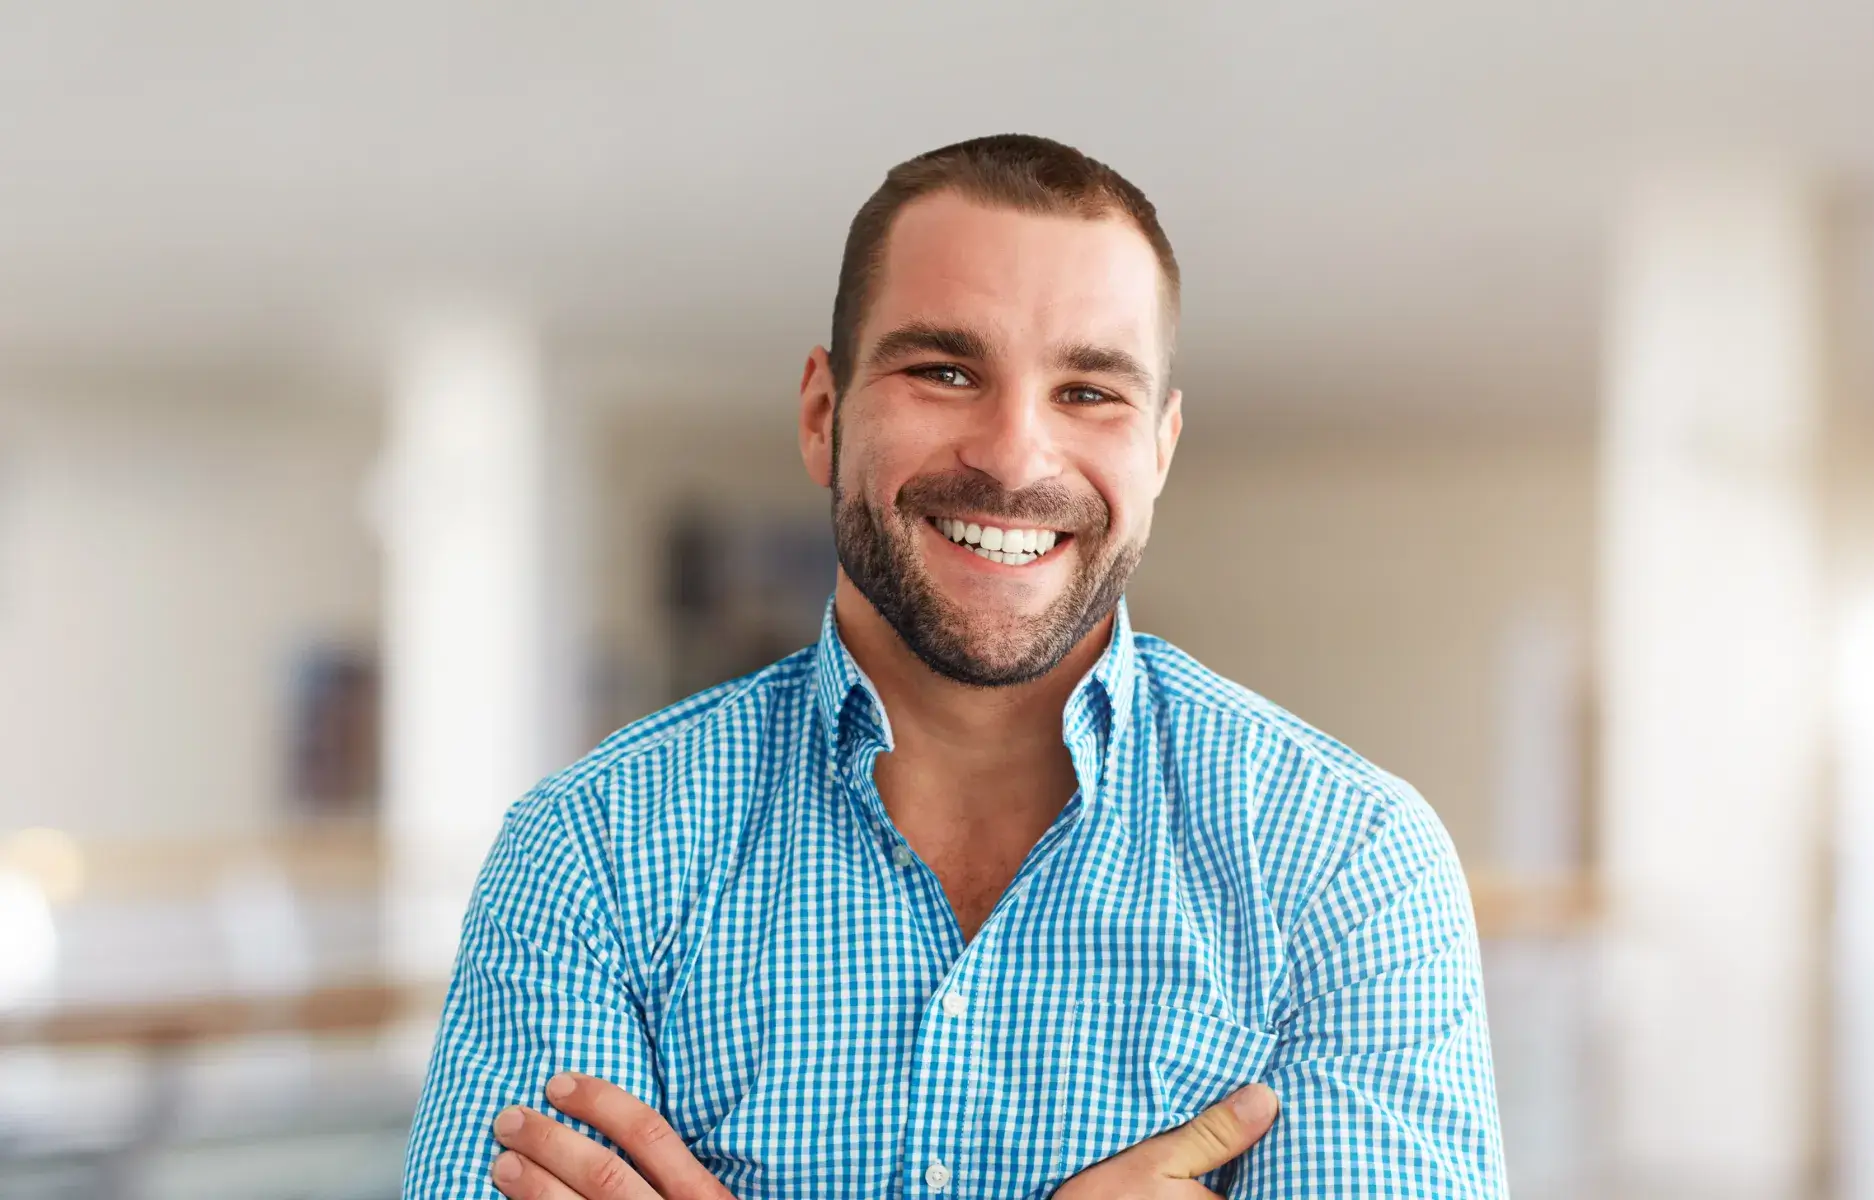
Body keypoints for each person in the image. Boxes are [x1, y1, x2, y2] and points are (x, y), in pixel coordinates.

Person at [402, 134, 1507, 1199]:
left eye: (1089, 391)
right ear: (822, 415)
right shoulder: (593, 856)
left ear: (1158, 448)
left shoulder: (1345, 867)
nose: (1013, 454)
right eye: (943, 369)